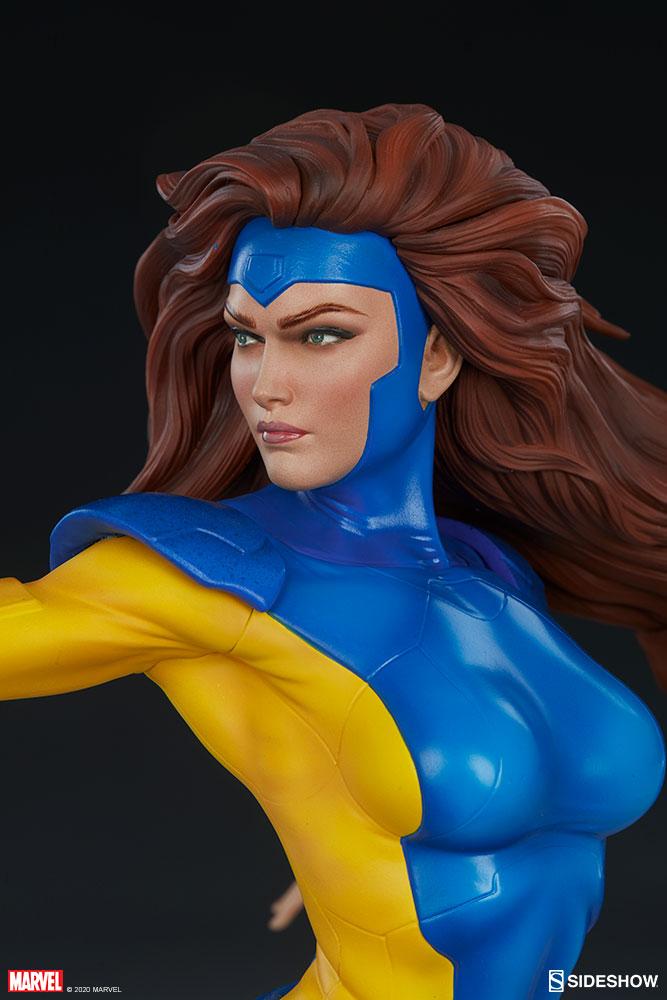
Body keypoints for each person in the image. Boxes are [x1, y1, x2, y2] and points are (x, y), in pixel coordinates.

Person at [1, 104, 665, 1000]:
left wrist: (334, 829)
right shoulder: (204, 573)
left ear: (436, 357)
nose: (266, 385)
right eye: (246, 336)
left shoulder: (487, 568)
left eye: (320, 334)